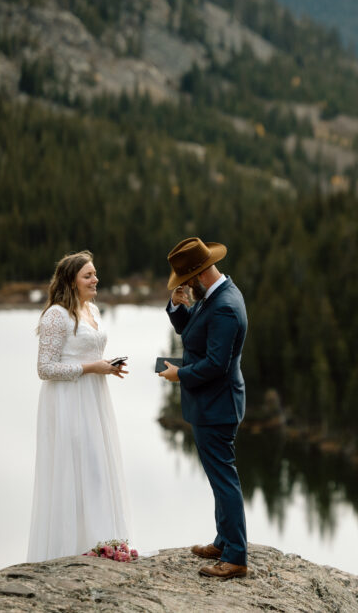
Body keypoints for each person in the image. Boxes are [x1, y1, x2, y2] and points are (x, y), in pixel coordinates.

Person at [27, 250, 131, 562]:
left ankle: (101, 542)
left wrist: (107, 367)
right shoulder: (56, 315)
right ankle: (69, 550)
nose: (95, 279)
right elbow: (44, 368)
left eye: (95, 274)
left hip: (94, 400)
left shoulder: (92, 310)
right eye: (88, 275)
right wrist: (90, 368)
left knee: (96, 469)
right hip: (68, 403)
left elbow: (88, 353)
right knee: (73, 471)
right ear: (71, 281)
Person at [157, 237, 249, 579]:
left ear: (196, 275)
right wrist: (178, 304)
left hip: (217, 405)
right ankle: (224, 541)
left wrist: (179, 374)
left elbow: (215, 364)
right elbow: (193, 332)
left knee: (225, 480)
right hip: (213, 404)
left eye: (184, 281)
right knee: (218, 477)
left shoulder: (224, 305)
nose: (182, 286)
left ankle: (236, 556)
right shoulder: (216, 296)